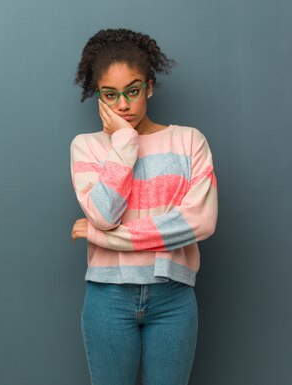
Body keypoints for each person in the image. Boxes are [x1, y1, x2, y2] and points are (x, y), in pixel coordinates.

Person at [69, 28, 218, 385]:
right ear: (99, 98)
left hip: (173, 296)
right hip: (108, 297)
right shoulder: (87, 147)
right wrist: (123, 141)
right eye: (111, 95)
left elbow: (200, 222)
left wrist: (104, 238)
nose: (123, 105)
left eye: (132, 91)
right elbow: (104, 213)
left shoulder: (189, 141)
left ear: (149, 87)